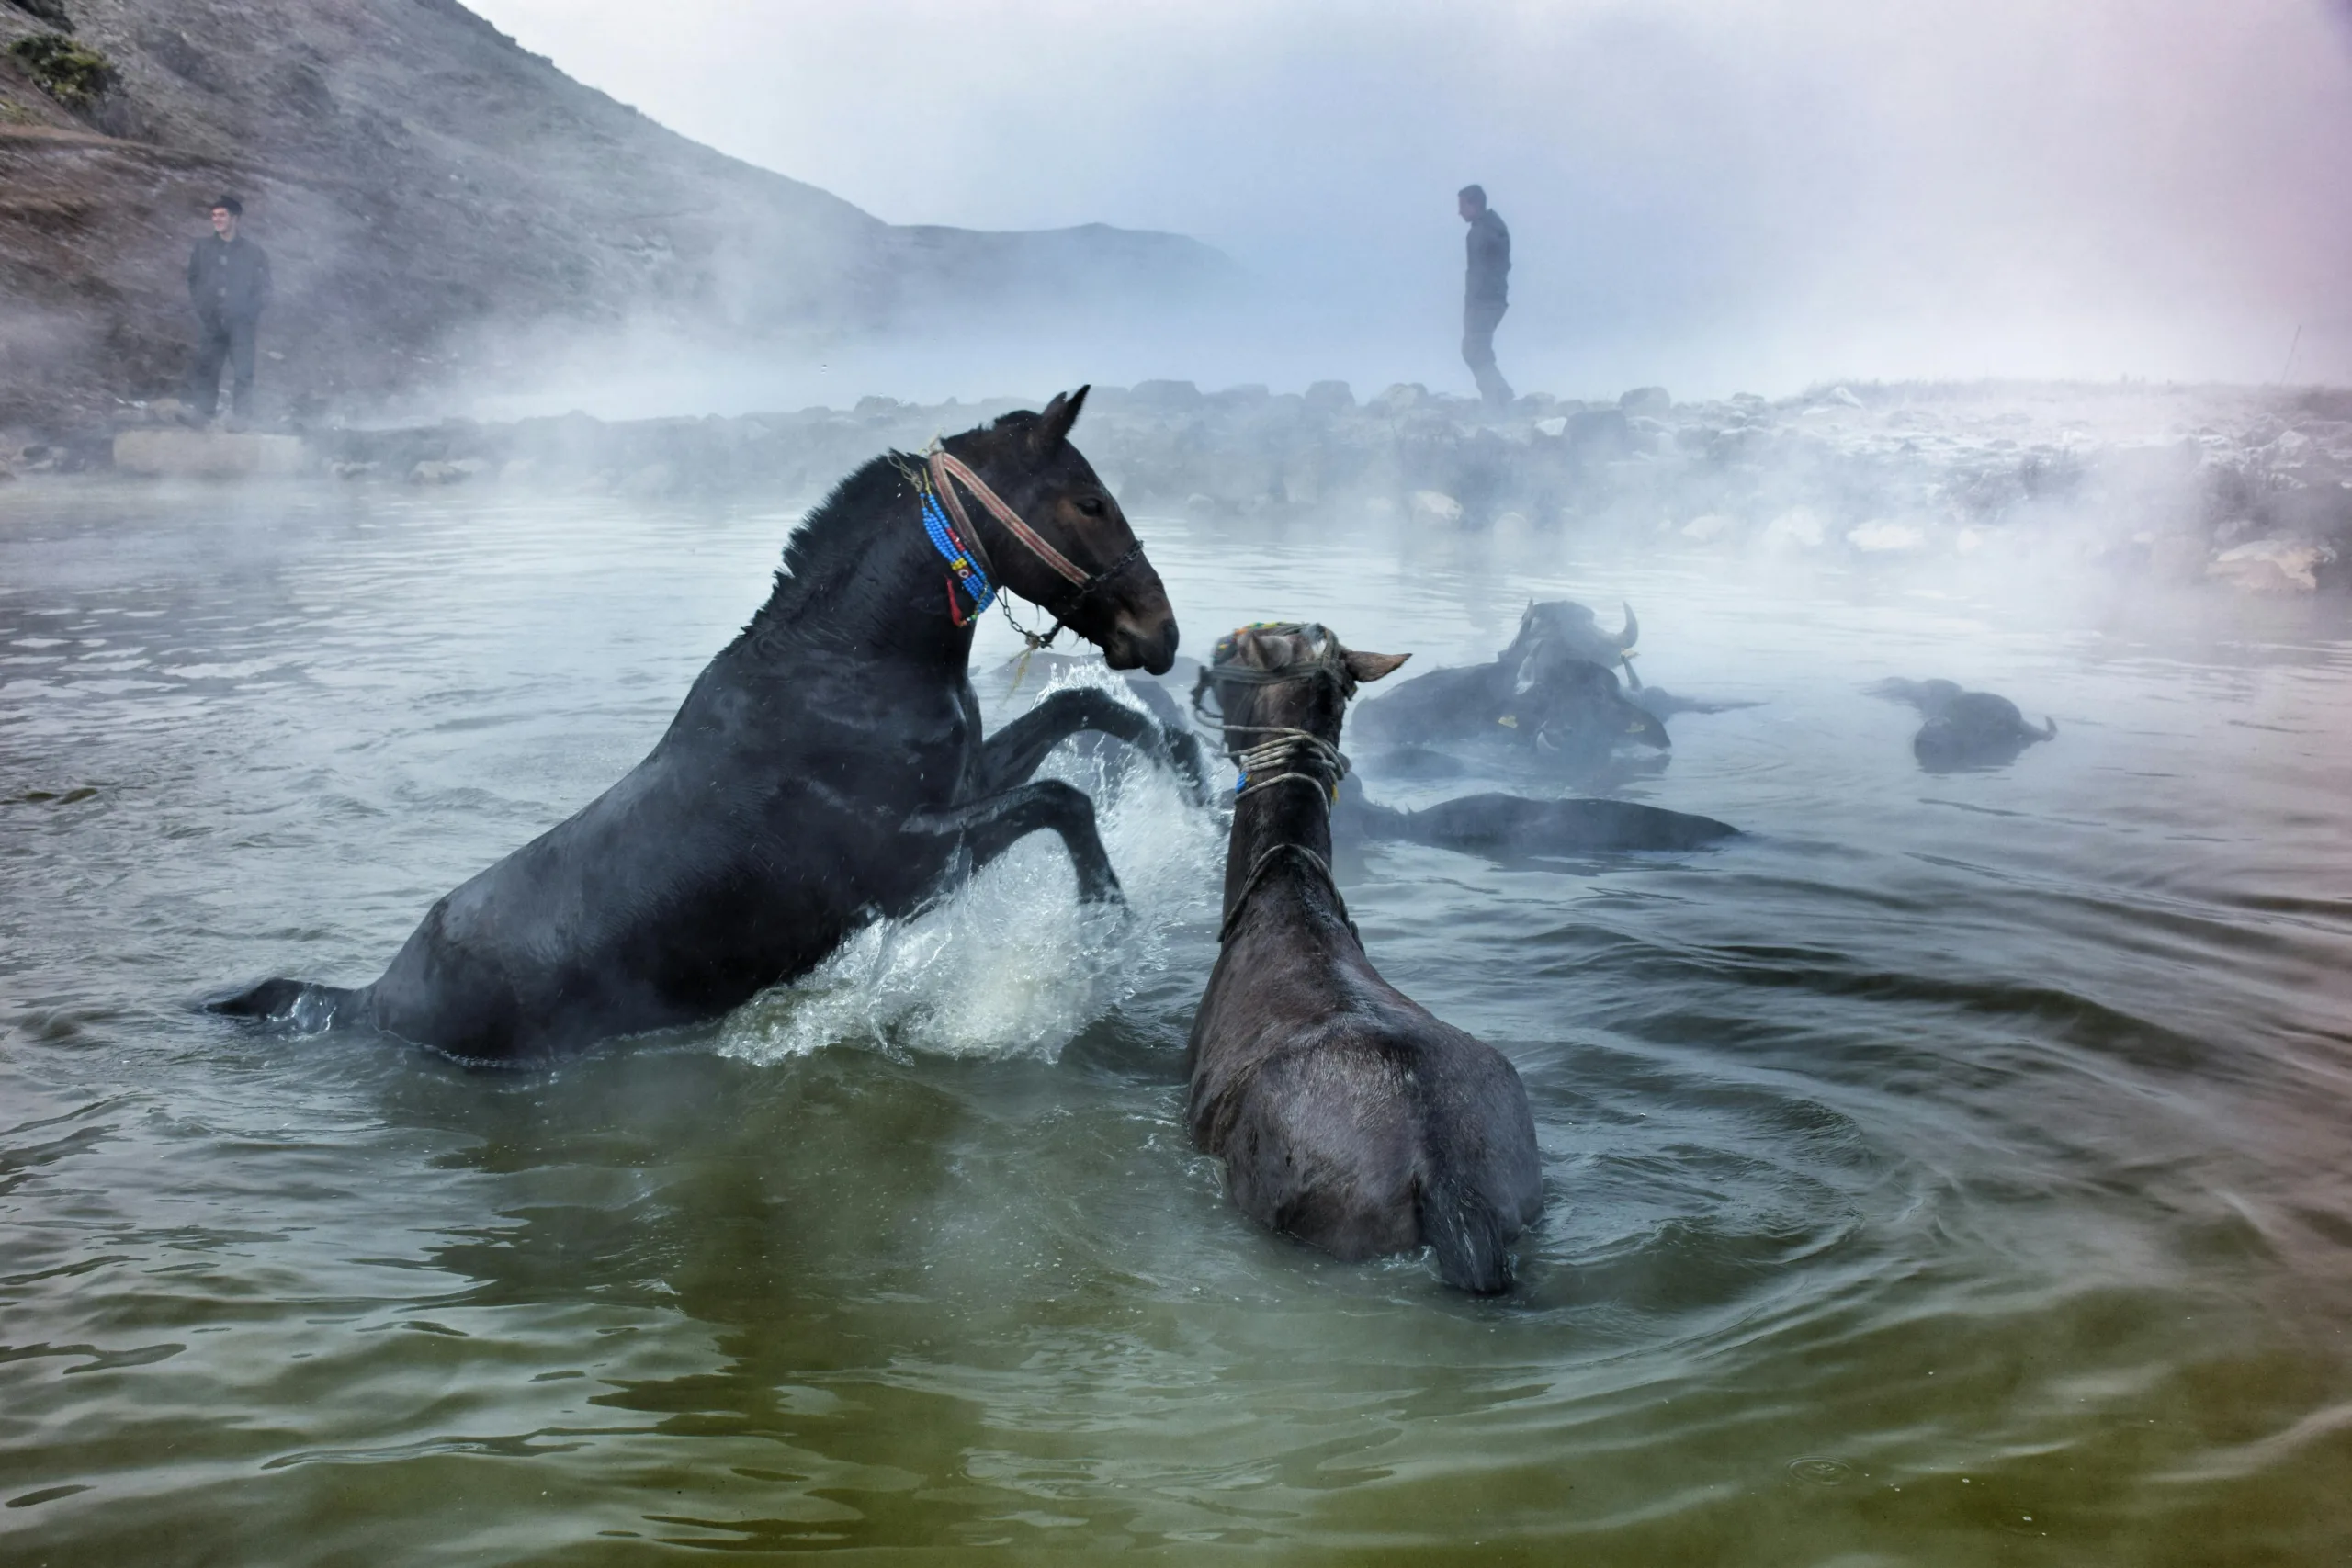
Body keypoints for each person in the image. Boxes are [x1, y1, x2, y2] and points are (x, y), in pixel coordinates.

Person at [182, 195, 272, 428]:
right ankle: (203, 414)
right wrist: (203, 307)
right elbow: (193, 279)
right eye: (214, 215)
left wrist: (248, 313)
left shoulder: (253, 252)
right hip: (212, 319)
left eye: (222, 215)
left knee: (243, 371)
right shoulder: (203, 248)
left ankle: (241, 417)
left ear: (235, 218)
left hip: (241, 322)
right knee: (207, 367)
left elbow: (265, 288)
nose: (217, 220)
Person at [1457, 184, 1512, 408]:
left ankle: (1498, 397)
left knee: (1474, 349)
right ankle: (1498, 394)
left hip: (1483, 301)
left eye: (1463, 206)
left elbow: (1482, 270)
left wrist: (1474, 301)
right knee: (1476, 348)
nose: (1459, 212)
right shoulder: (1493, 226)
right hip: (1493, 299)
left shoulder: (1482, 232)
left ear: (1475, 204)